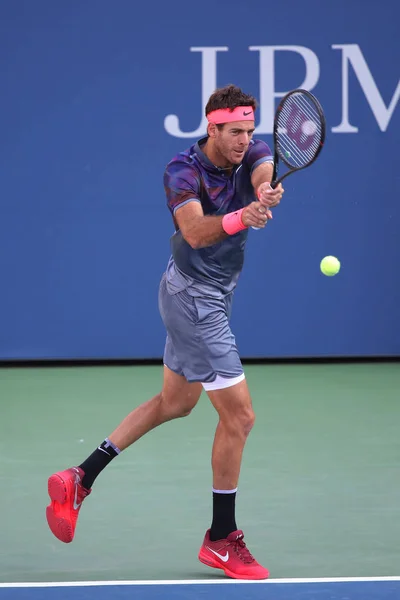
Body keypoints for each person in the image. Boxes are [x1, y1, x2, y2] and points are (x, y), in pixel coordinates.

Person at [46, 84, 284, 580]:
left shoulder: (252, 151)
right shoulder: (182, 170)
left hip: (208, 293)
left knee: (175, 403)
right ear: (211, 127)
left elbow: (262, 167)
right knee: (239, 418)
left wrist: (263, 190)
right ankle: (221, 538)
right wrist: (244, 216)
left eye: (249, 131)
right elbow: (195, 233)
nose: (245, 140)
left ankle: (79, 477)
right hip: (193, 298)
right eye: (234, 132)